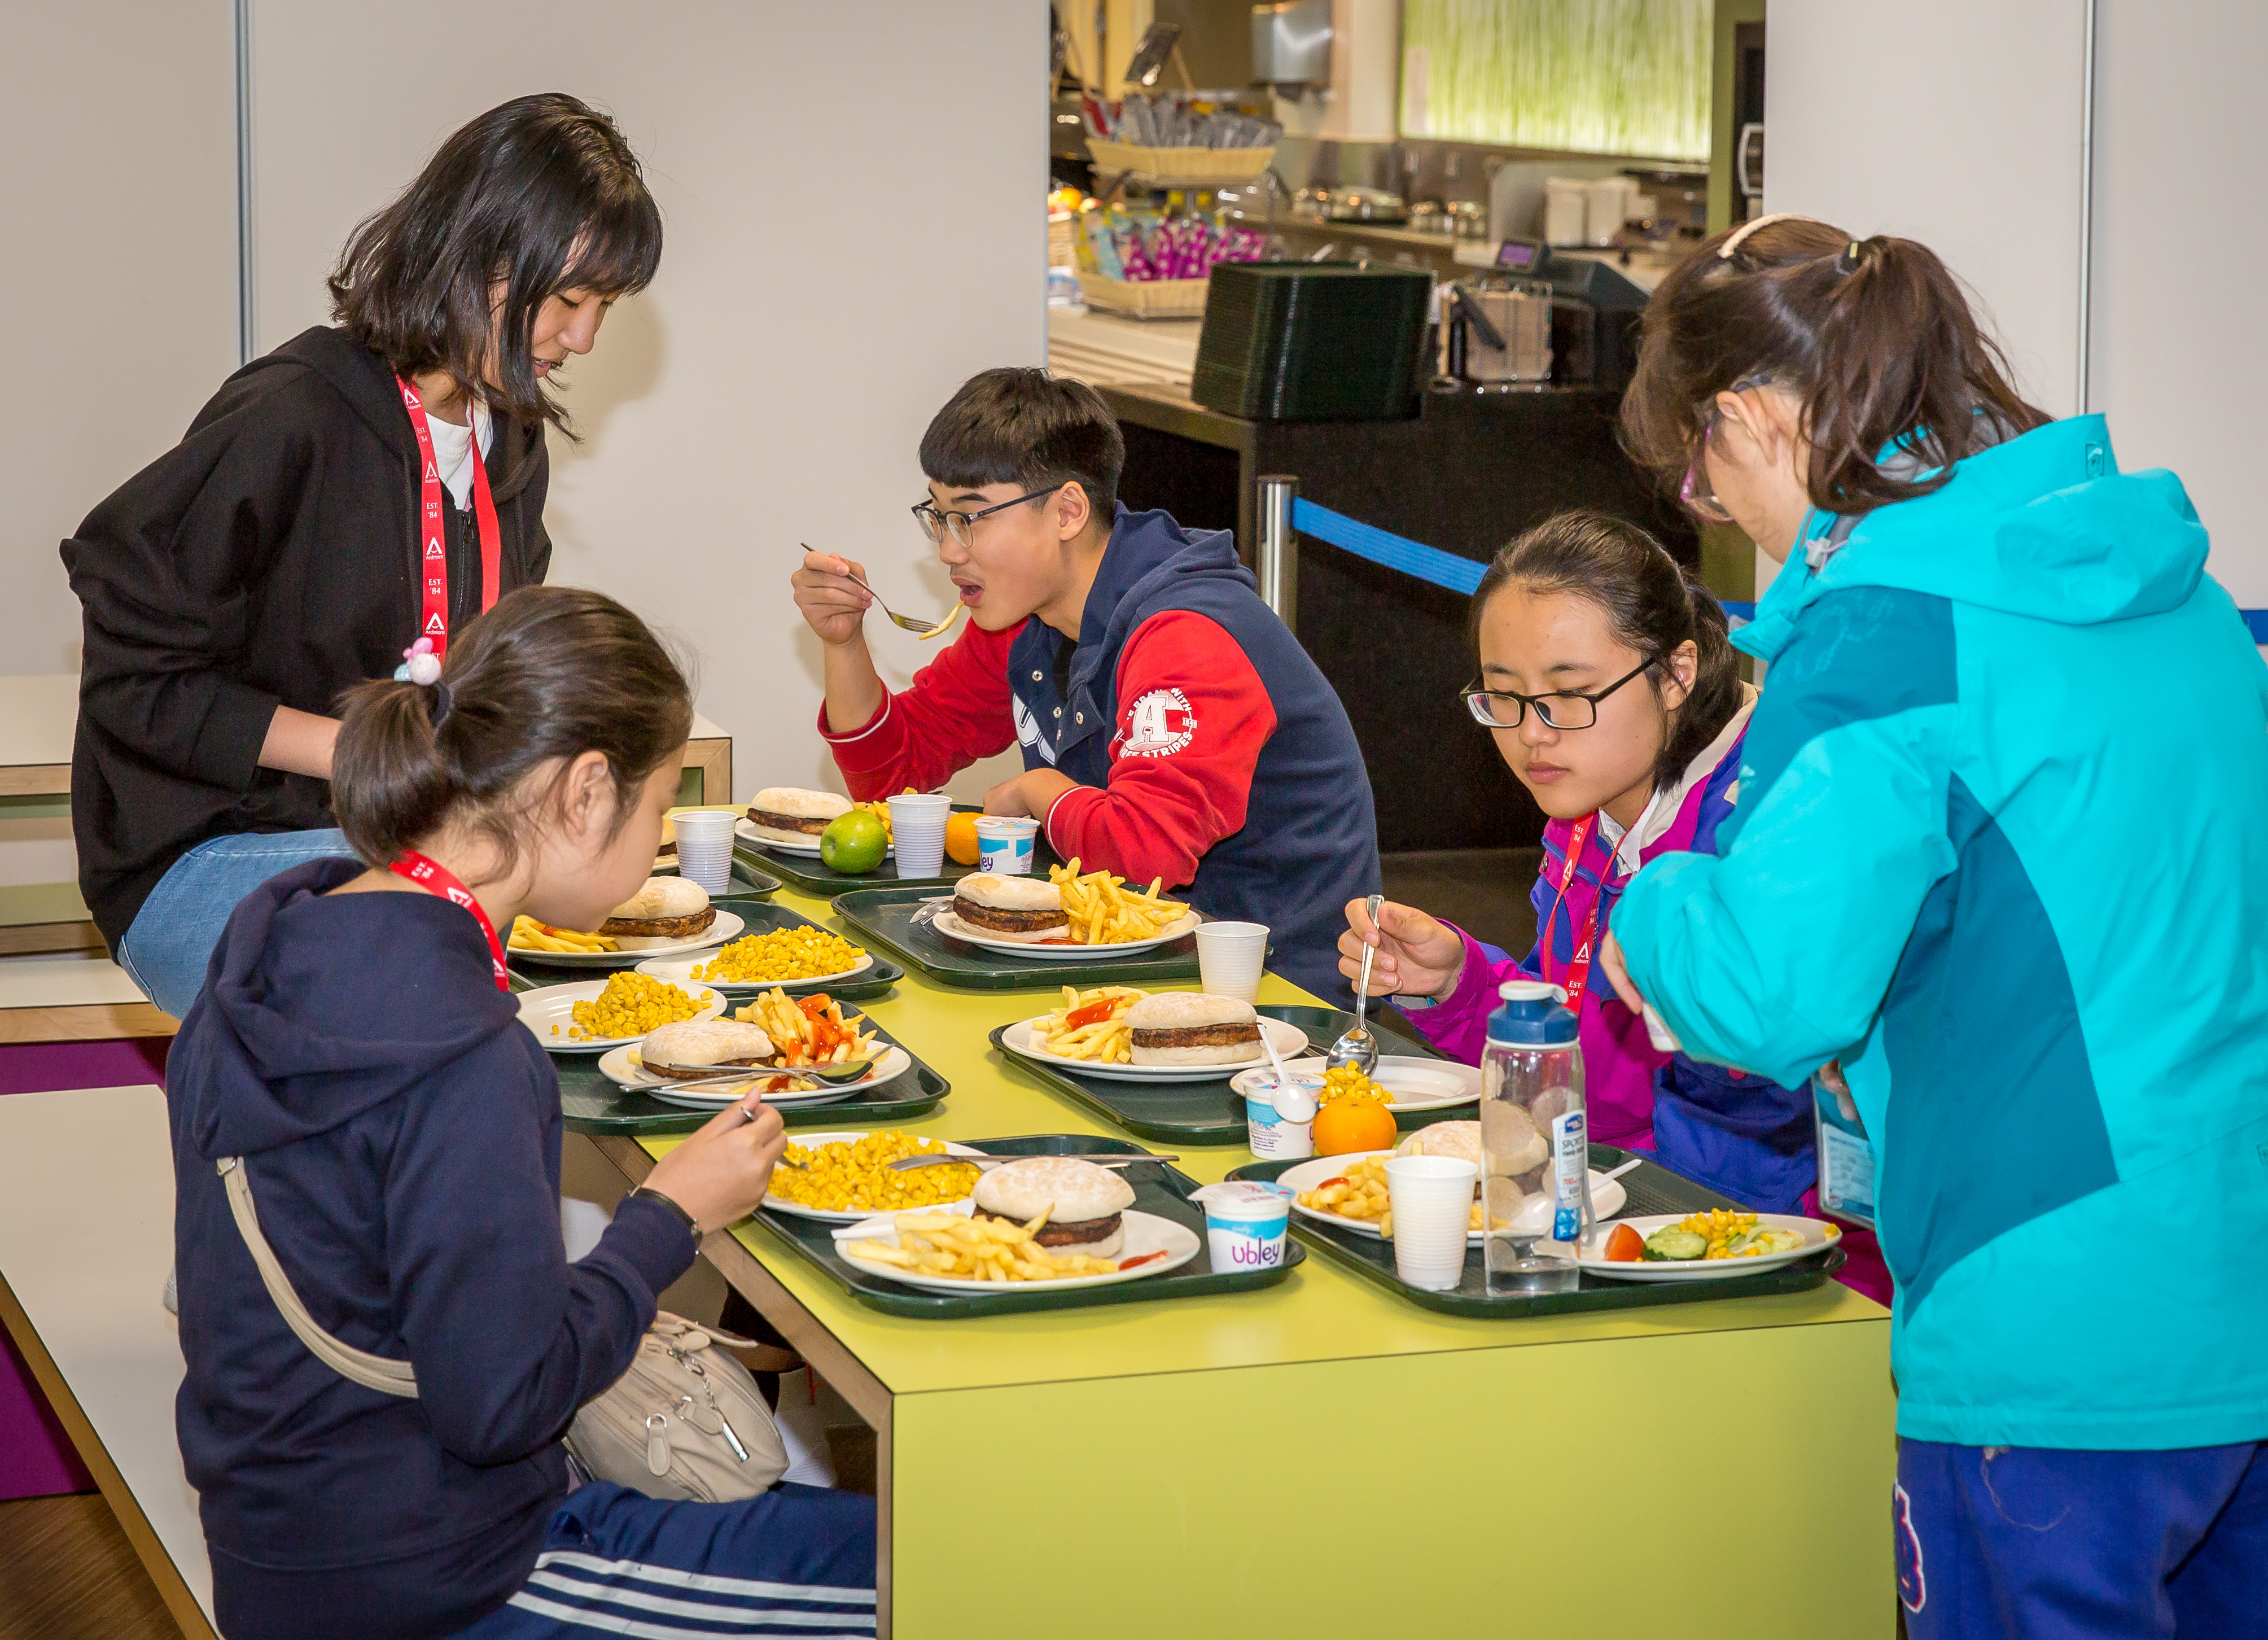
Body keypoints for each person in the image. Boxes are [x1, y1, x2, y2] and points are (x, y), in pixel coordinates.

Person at [1599, 213, 2268, 1637]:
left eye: (1696, 461)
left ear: (1742, 419)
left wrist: (1648, 888)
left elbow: (1764, 994)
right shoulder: (2164, 583)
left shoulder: (1881, 637)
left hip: (2068, 1331)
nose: (1702, 498)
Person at [164, 585, 874, 1640]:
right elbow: (502, 1404)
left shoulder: (276, 946)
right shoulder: (470, 1056)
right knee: (939, 1565)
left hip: (285, 1547)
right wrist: (665, 1219)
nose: (660, 835)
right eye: (657, 805)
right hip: (442, 1575)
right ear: (587, 790)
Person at [63, 92, 660, 1019]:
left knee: (571, 908)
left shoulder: (512, 446)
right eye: (570, 300)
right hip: (206, 851)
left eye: (603, 308)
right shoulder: (291, 415)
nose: (582, 338)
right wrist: (364, 752)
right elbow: (135, 687)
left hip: (396, 844)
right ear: (479, 259)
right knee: (442, 928)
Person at [1333, 510, 1887, 1304]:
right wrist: (1455, 985)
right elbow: (1585, 1053)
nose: (1531, 735)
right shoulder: (1596, 796)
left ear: (1675, 673)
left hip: (1793, 1263)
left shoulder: (1767, 821)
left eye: (1567, 694)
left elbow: (1719, 1099)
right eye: (1503, 697)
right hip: (1639, 1215)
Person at [792, 366, 1378, 1003]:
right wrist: (842, 642)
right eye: (938, 518)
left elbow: (1147, 848)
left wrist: (1041, 790)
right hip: (1142, 971)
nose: (948, 551)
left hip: (1279, 998)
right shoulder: (1023, 618)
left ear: (1068, 510)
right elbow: (892, 778)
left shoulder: (1186, 634)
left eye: (970, 518)